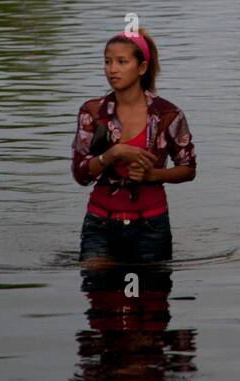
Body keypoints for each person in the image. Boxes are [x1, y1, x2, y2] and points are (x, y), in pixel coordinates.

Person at [72, 29, 196, 271]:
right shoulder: (93, 112)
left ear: (141, 68)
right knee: (98, 293)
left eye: (122, 62)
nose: (112, 69)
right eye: (107, 61)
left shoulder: (168, 115)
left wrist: (154, 175)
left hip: (151, 226)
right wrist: (113, 153)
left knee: (151, 301)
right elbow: (80, 174)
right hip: (100, 223)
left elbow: (188, 169)